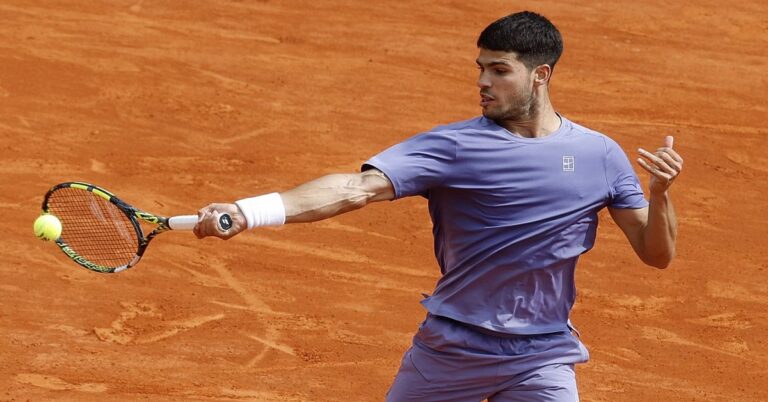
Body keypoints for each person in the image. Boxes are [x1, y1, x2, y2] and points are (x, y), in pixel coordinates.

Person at [193, 10, 683, 402]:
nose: (483, 83)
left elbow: (656, 253)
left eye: (499, 70)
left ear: (541, 75)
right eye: (480, 69)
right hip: (454, 348)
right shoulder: (454, 147)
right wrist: (248, 210)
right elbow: (353, 189)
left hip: (543, 352)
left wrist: (659, 198)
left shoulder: (601, 155)